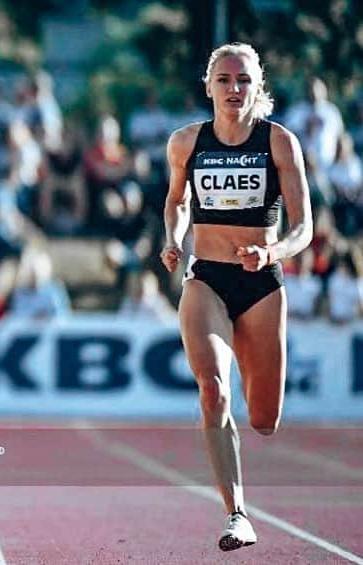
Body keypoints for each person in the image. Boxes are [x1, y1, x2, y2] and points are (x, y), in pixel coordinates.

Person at [160, 43, 312, 552]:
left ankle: (254, 422)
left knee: (264, 419)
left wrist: (273, 252)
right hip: (207, 278)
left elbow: (305, 227)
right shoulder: (186, 142)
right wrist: (172, 239)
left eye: (243, 80)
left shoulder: (279, 143)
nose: (233, 89)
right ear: (208, 87)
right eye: (223, 80)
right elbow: (176, 202)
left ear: (258, 87)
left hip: (262, 284)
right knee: (214, 391)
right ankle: (236, 514)